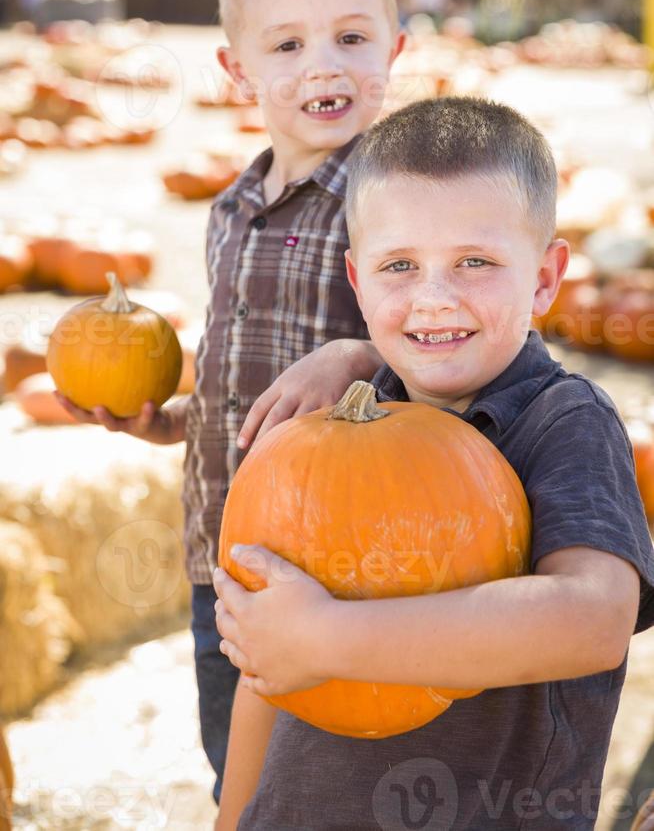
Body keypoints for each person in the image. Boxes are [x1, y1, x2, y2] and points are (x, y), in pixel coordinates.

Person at [212, 96, 654, 830]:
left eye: (475, 262)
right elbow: (266, 649)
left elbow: (592, 619)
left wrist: (326, 637)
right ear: (358, 282)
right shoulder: (321, 436)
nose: (434, 297)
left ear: (545, 279)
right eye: (400, 265)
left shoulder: (563, 424)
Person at [55, 0, 405, 818]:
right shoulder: (230, 208)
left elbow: (456, 357)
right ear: (237, 72)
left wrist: (362, 350)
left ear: (396, 49)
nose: (323, 67)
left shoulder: (401, 201)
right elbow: (229, 382)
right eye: (287, 44)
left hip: (342, 581)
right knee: (242, 785)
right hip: (222, 566)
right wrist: (160, 421)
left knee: (341, 787)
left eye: (352, 38)